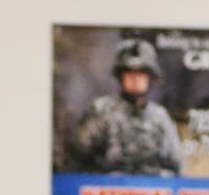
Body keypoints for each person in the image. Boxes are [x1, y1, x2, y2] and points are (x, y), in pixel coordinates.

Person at [65, 39, 183, 177]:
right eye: (129, 73)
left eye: (141, 73)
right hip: (106, 192)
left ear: (150, 77)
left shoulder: (160, 118)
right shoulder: (101, 111)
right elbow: (75, 161)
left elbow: (175, 167)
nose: (135, 79)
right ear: (121, 76)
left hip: (149, 192)